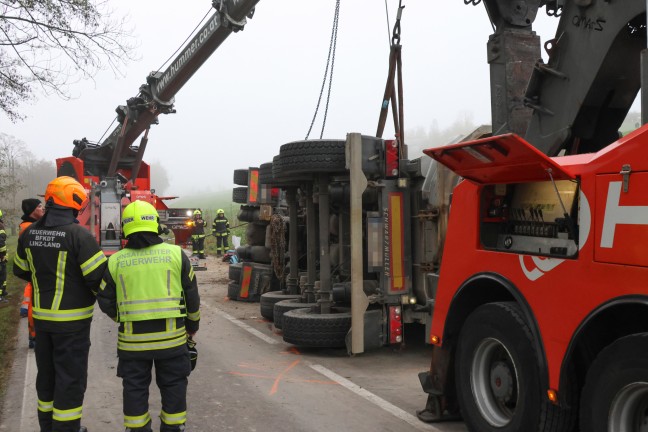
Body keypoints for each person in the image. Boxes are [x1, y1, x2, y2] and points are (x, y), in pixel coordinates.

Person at [14, 176, 107, 432]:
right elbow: (99, 279)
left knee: (46, 378)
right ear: (75, 201)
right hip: (73, 325)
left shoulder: (29, 233)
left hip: (42, 322)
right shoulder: (80, 235)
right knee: (71, 380)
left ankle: (47, 426)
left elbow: (21, 270)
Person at [97, 200, 200, 432]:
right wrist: (192, 325)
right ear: (155, 224)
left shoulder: (115, 261)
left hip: (132, 345)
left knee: (134, 388)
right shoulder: (176, 255)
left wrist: (122, 317)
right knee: (173, 386)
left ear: (125, 228)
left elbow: (104, 299)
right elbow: (192, 296)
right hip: (172, 341)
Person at [19, 198, 46, 349]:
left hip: (34, 269)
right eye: (39, 206)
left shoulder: (30, 225)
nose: (42, 208)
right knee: (34, 304)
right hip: (35, 269)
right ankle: (34, 336)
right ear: (32, 211)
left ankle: (35, 336)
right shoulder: (29, 229)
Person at [0, 209, 7, 303]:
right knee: (1, 277)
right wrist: (2, 255)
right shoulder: (0, 227)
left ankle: (3, 292)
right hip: (1, 258)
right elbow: (1, 243)